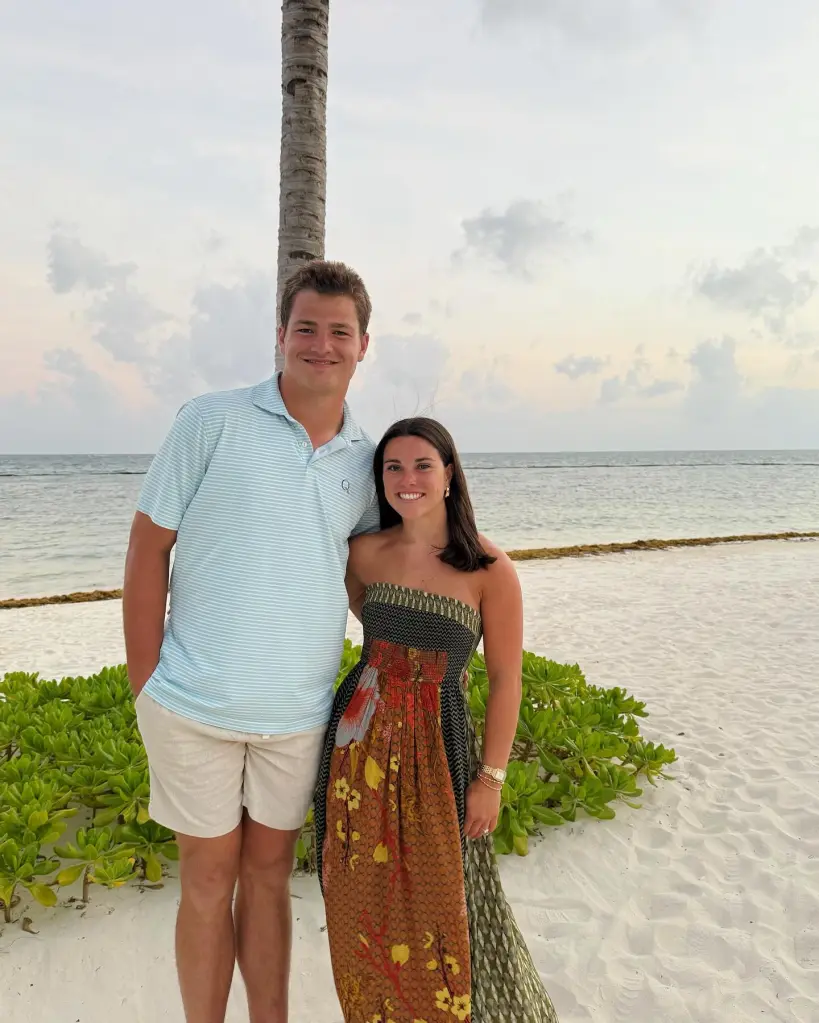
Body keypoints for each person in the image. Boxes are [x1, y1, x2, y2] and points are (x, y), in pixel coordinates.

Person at [122, 260, 379, 1023]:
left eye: (339, 332)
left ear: (364, 345)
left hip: (297, 715)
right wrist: (146, 682)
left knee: (269, 878)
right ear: (279, 336)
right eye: (306, 328)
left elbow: (369, 579)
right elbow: (147, 550)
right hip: (191, 706)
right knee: (205, 880)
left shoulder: (367, 459)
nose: (321, 345)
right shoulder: (210, 419)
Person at [315, 417, 559, 1023]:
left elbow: (506, 679)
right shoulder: (363, 554)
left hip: (439, 751)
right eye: (392, 467)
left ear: (450, 474)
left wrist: (492, 777)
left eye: (423, 464)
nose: (408, 479)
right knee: (357, 903)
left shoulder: (489, 569)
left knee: (445, 908)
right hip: (355, 751)